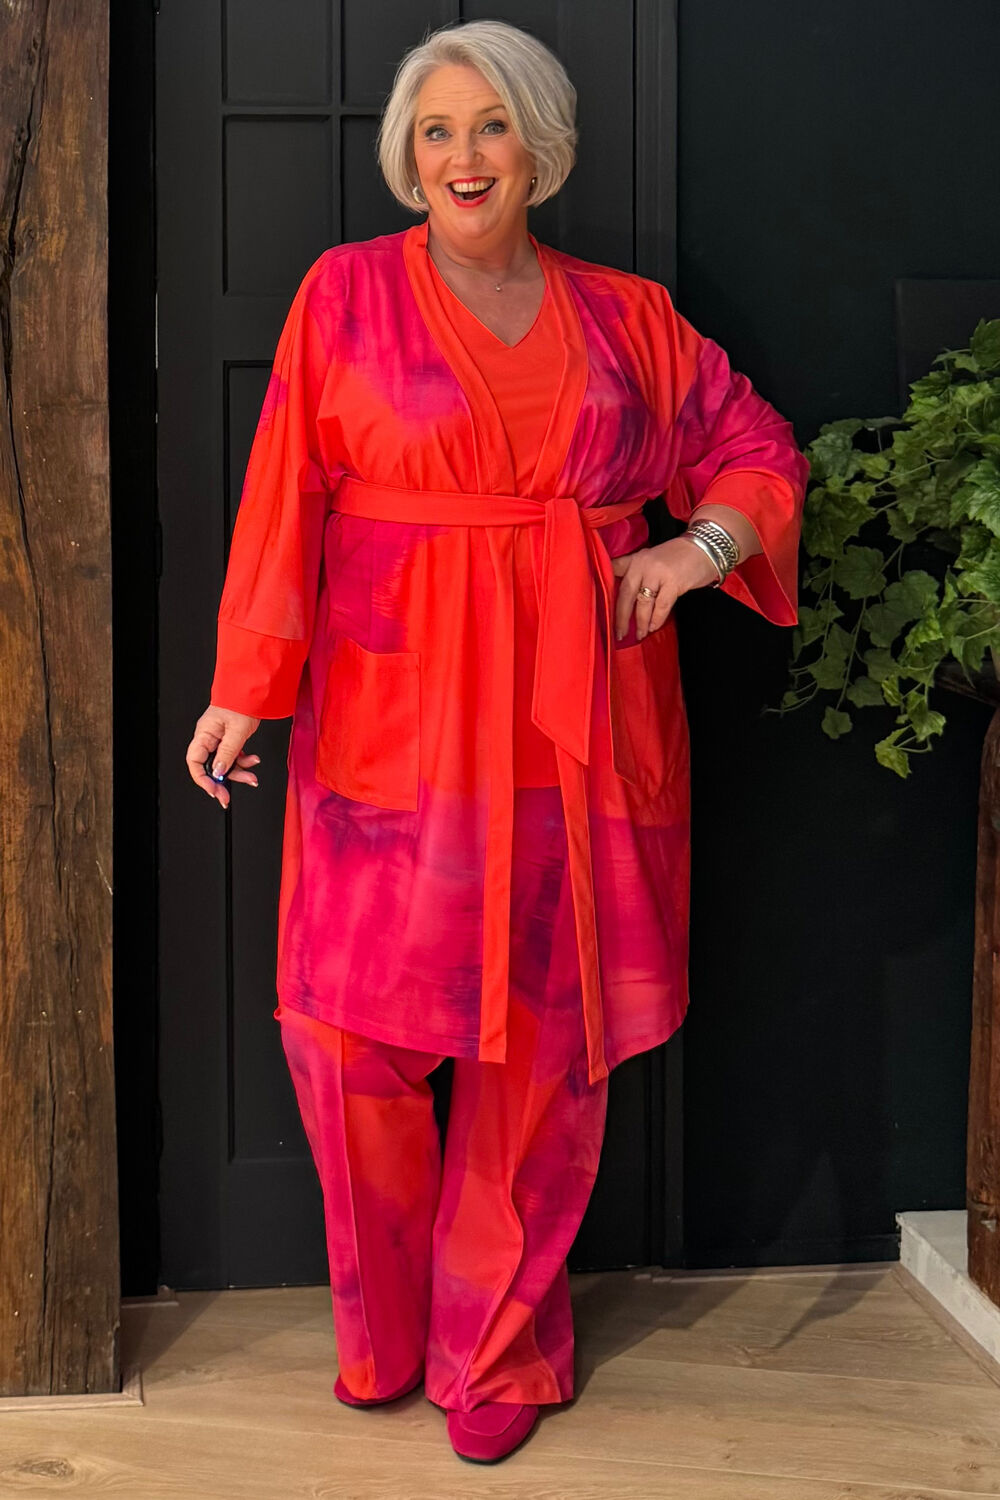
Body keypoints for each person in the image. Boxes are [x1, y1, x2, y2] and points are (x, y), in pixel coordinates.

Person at [185, 18, 809, 1466]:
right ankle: (387, 1332)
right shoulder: (345, 294)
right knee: (350, 1037)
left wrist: (694, 554)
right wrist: (243, 686)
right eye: (436, 131)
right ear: (407, 159)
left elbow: (757, 451)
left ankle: (498, 1350)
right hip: (389, 724)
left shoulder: (630, 319)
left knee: (543, 1050)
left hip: (575, 730)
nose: (463, 157)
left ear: (543, 148)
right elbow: (285, 494)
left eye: (491, 126)